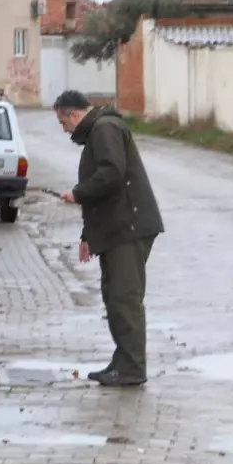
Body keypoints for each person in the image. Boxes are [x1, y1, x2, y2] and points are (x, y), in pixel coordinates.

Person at [54, 90, 164, 388]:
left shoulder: (105, 128)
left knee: (124, 298)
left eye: (63, 123)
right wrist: (88, 235)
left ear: (72, 114)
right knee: (114, 296)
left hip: (129, 226)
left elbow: (111, 174)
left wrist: (78, 192)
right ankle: (122, 360)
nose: (65, 130)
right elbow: (105, 191)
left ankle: (132, 368)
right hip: (118, 227)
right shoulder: (100, 130)